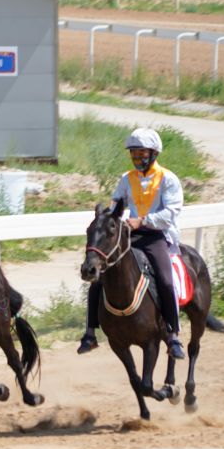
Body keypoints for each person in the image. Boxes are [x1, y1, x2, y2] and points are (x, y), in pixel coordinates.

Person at [78, 127, 186, 360]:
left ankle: (173, 335)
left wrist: (143, 220)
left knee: (166, 281)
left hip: (157, 236)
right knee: (99, 278)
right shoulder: (127, 179)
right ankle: (89, 333)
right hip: (130, 236)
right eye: (134, 154)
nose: (137, 158)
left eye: (141, 154)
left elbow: (172, 212)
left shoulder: (168, 179)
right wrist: (106, 217)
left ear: (154, 153)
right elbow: (117, 204)